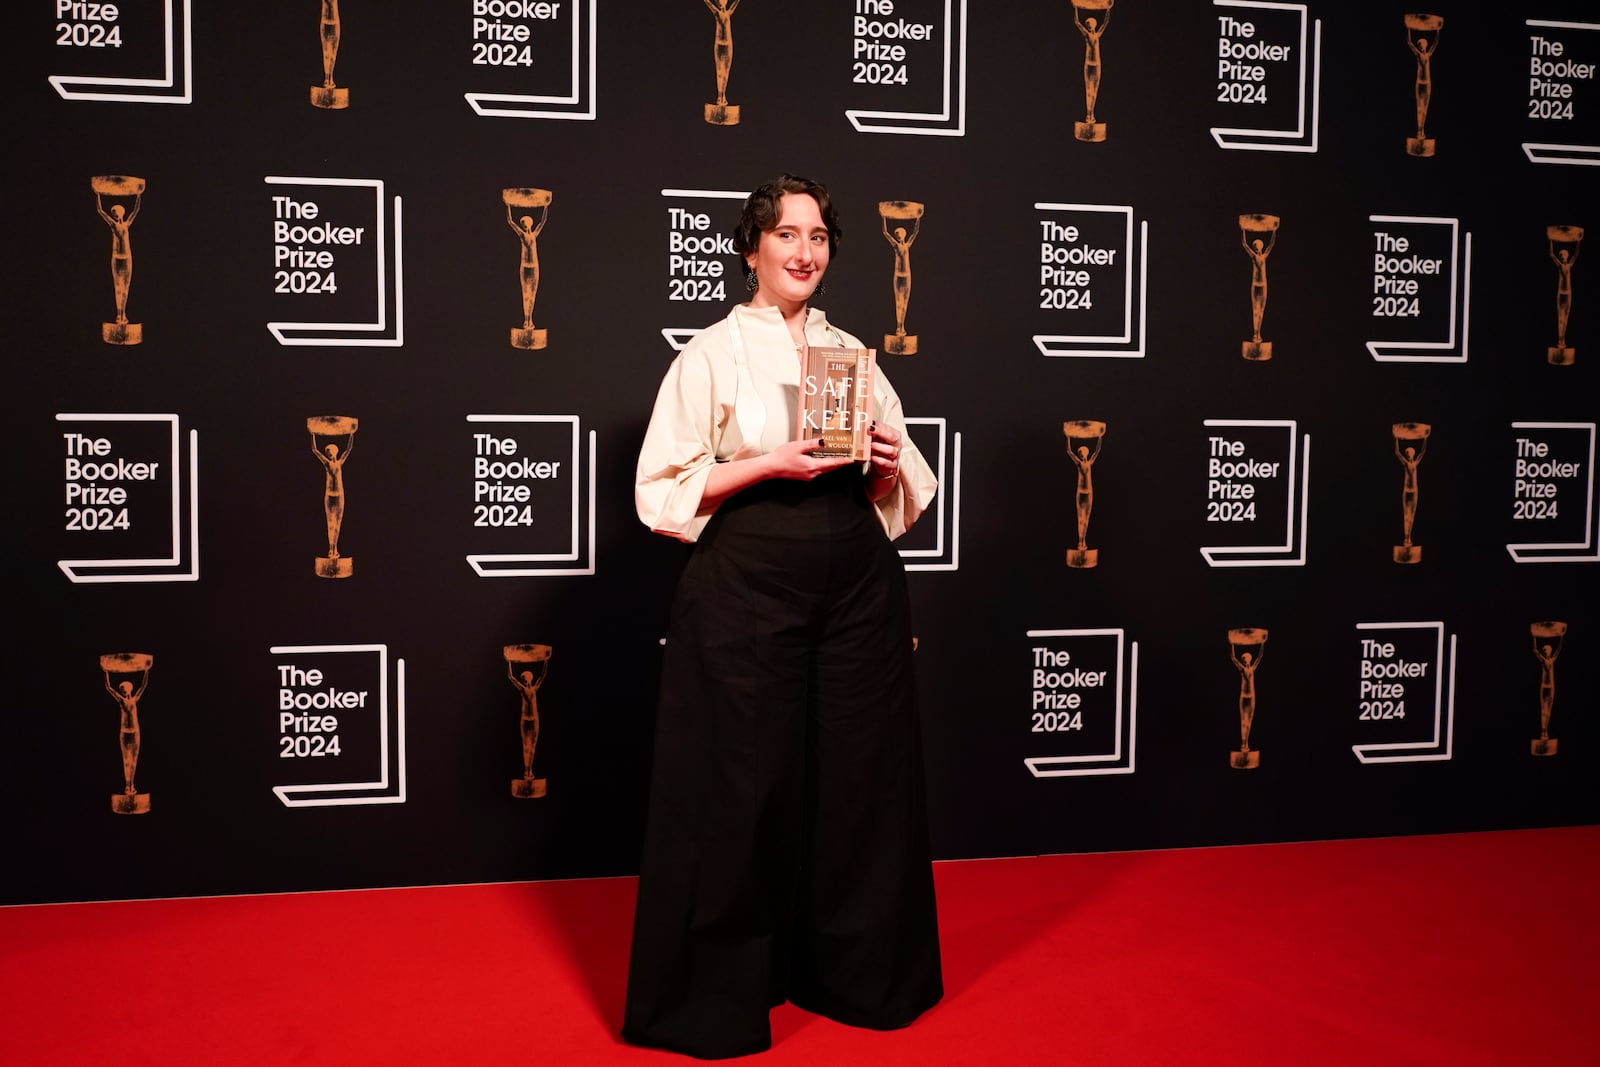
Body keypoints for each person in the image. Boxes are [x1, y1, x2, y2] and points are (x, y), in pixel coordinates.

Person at [623, 174, 943, 1058]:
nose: (804, 251)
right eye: (786, 234)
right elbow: (661, 490)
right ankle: (716, 1000)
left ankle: (856, 977)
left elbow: (903, 485)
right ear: (752, 248)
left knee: (860, 783)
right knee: (738, 788)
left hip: (856, 585)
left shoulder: (856, 355)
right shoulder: (710, 354)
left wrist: (879, 463)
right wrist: (765, 463)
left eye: (818, 236)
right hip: (747, 580)